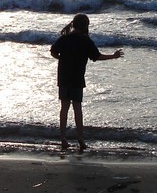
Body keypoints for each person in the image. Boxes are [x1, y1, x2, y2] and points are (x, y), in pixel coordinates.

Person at [50, 13, 123, 152]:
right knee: (77, 108)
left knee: (64, 107)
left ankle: (63, 138)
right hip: (77, 77)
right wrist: (113, 56)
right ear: (85, 26)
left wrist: (61, 59)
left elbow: (53, 52)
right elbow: (97, 56)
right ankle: (80, 138)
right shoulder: (86, 41)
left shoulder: (65, 39)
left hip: (64, 76)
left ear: (74, 24)